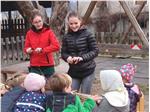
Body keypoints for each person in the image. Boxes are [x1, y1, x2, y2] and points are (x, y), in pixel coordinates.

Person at [61, 11, 99, 94]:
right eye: (71, 24)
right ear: (68, 24)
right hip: (74, 71)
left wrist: (82, 58)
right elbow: (63, 53)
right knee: (72, 94)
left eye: (76, 23)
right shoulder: (66, 37)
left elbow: (95, 51)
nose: (74, 26)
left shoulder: (88, 34)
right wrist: (68, 58)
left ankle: (86, 107)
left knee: (85, 95)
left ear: (80, 22)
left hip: (88, 70)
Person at [24, 9, 60, 78]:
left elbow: (56, 46)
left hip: (48, 66)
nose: (38, 24)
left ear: (42, 20)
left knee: (49, 87)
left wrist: (42, 49)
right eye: (36, 22)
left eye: (40, 21)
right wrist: (27, 50)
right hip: (34, 66)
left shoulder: (49, 32)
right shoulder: (29, 33)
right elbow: (26, 48)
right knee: (35, 87)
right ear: (32, 23)